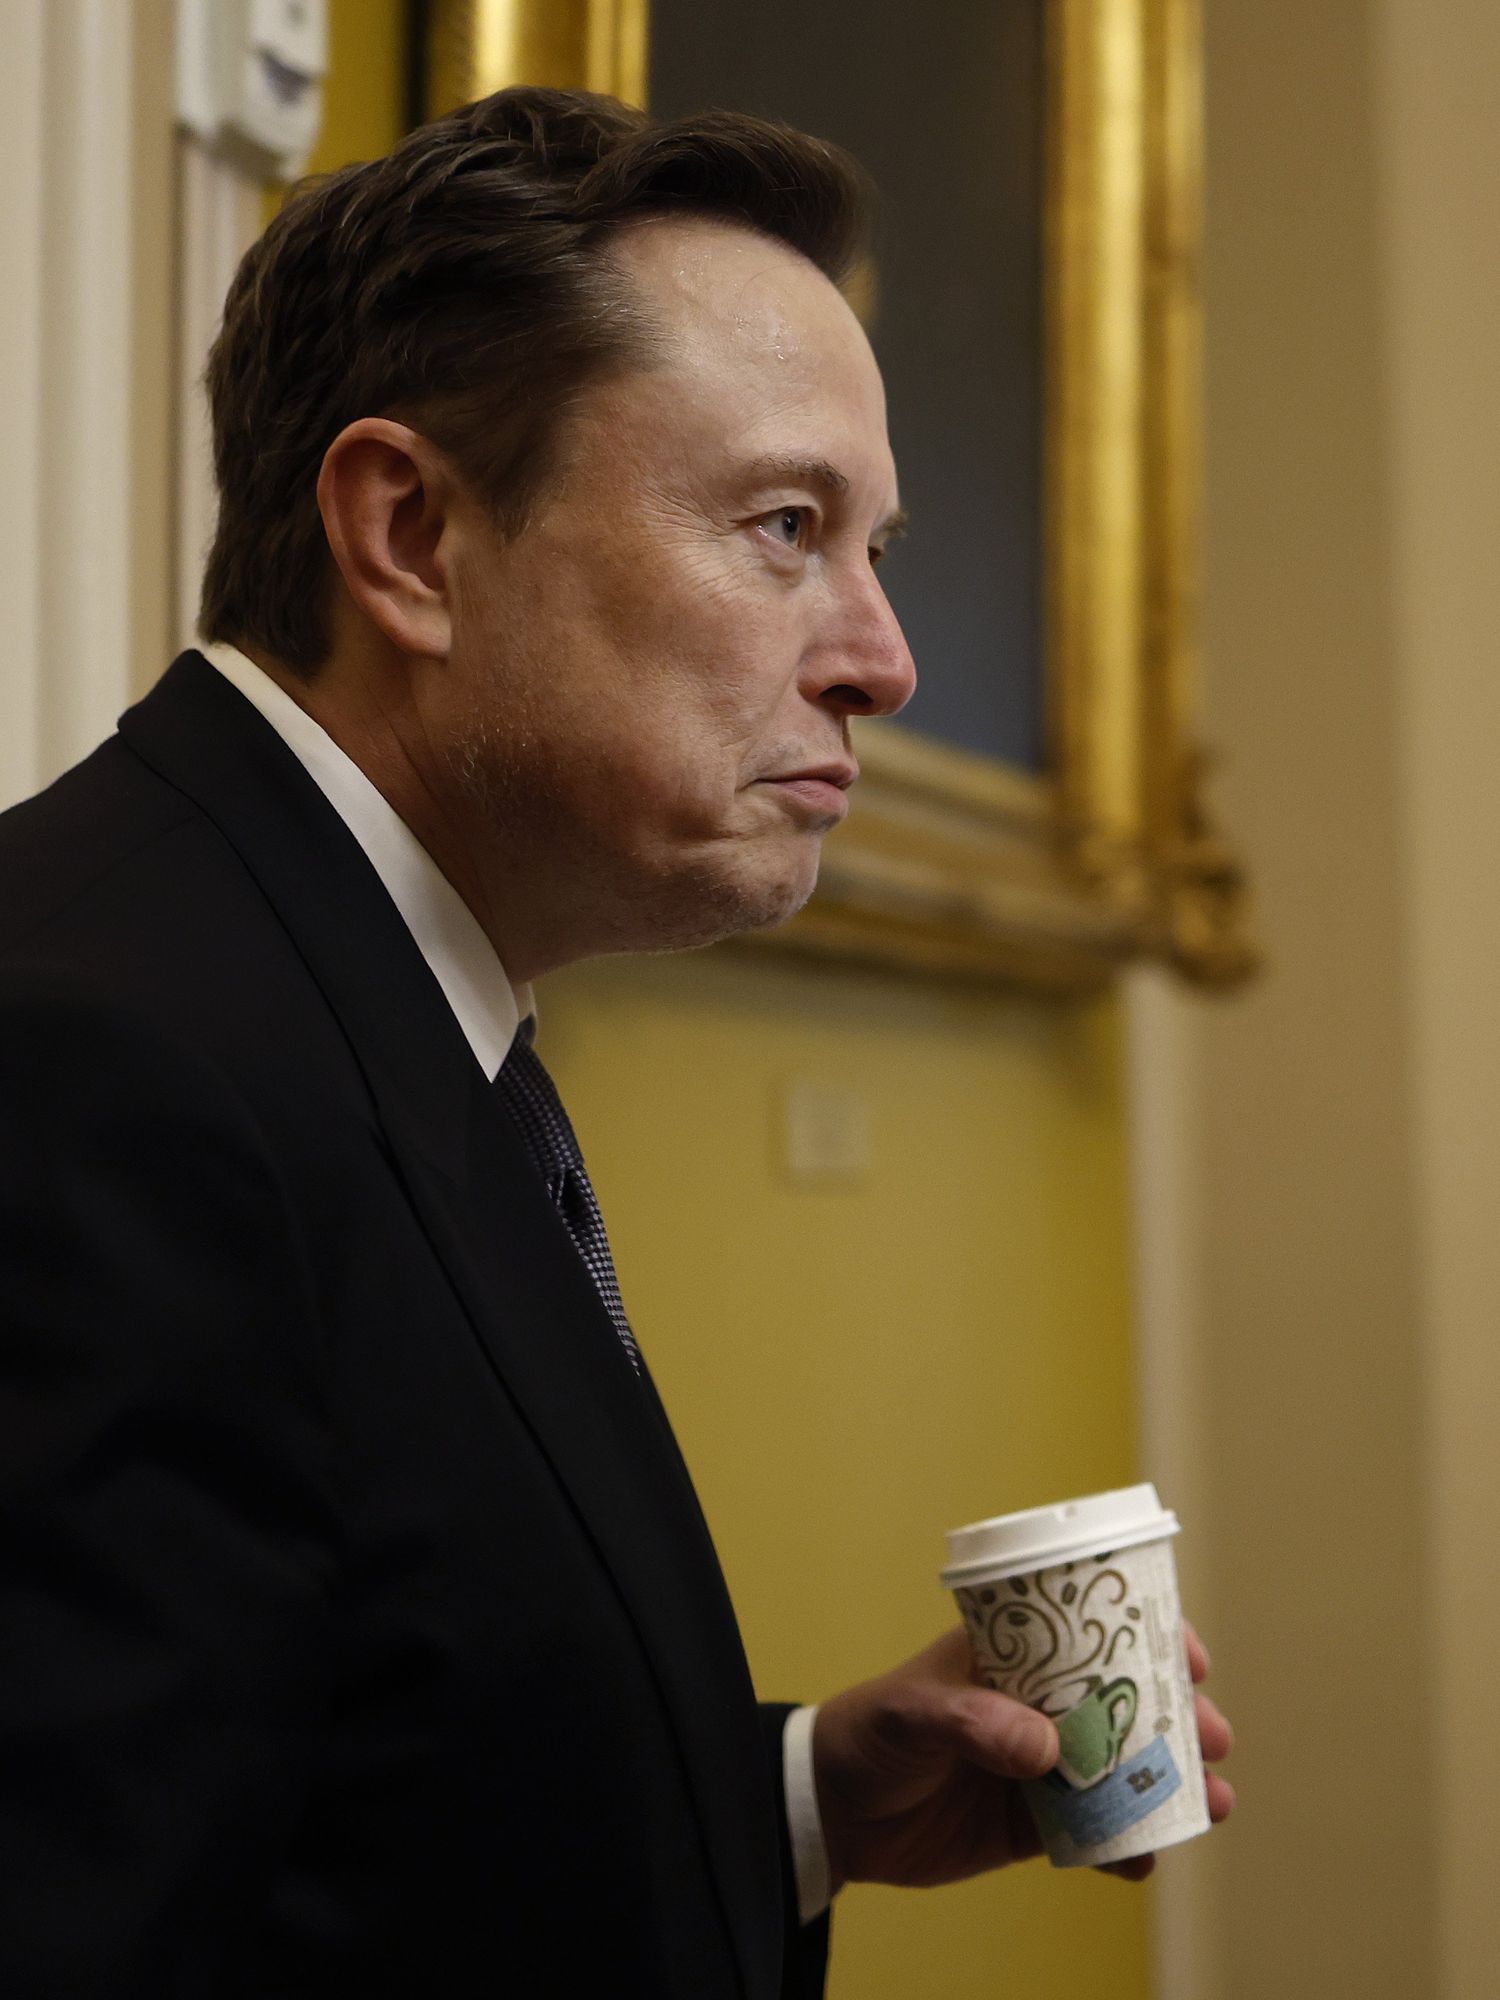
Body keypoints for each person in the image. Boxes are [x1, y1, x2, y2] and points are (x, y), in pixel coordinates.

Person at [0, 87, 1232, 1996]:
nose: (881, 658)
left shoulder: (347, 976)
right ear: (410, 531)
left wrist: (799, 1799)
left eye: (877, 546)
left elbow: (343, 1793)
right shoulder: (93, 1049)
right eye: (784, 526)